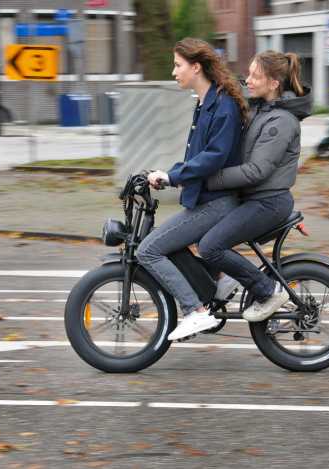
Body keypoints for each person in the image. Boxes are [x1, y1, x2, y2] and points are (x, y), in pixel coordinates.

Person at [136, 38, 248, 341]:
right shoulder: (205, 102)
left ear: (196, 67)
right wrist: (167, 174)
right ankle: (219, 280)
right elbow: (198, 157)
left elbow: (214, 157)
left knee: (148, 250)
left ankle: (195, 311)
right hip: (207, 199)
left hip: (217, 201)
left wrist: (173, 176)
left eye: (178, 65)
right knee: (168, 243)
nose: (174, 72)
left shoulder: (222, 105)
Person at [198, 50, 312, 322]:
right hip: (253, 199)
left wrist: (210, 180)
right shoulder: (261, 109)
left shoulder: (281, 121)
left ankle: (267, 291)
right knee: (197, 228)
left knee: (211, 246)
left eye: (255, 76)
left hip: (267, 203)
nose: (248, 80)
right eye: (248, 74)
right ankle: (223, 281)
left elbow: (256, 170)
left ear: (273, 83)